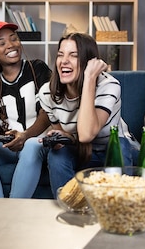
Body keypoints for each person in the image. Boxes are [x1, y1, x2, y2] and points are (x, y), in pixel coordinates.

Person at [38, 32, 138, 194]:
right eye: (60, 55)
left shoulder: (108, 85)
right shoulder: (46, 93)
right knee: (56, 155)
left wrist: (90, 77)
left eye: (73, 55)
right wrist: (62, 137)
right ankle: (70, 206)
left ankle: (119, 210)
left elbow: (86, 134)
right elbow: (73, 137)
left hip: (114, 146)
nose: (64, 61)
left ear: (89, 62)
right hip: (80, 148)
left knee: (120, 147)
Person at [0, 21, 52, 198]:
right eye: (2, 43)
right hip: (9, 144)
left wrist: (26, 136)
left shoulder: (37, 68)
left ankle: (13, 209)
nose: (11, 45)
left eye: (14, 38)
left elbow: (47, 115)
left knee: (30, 145)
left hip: (37, 142)